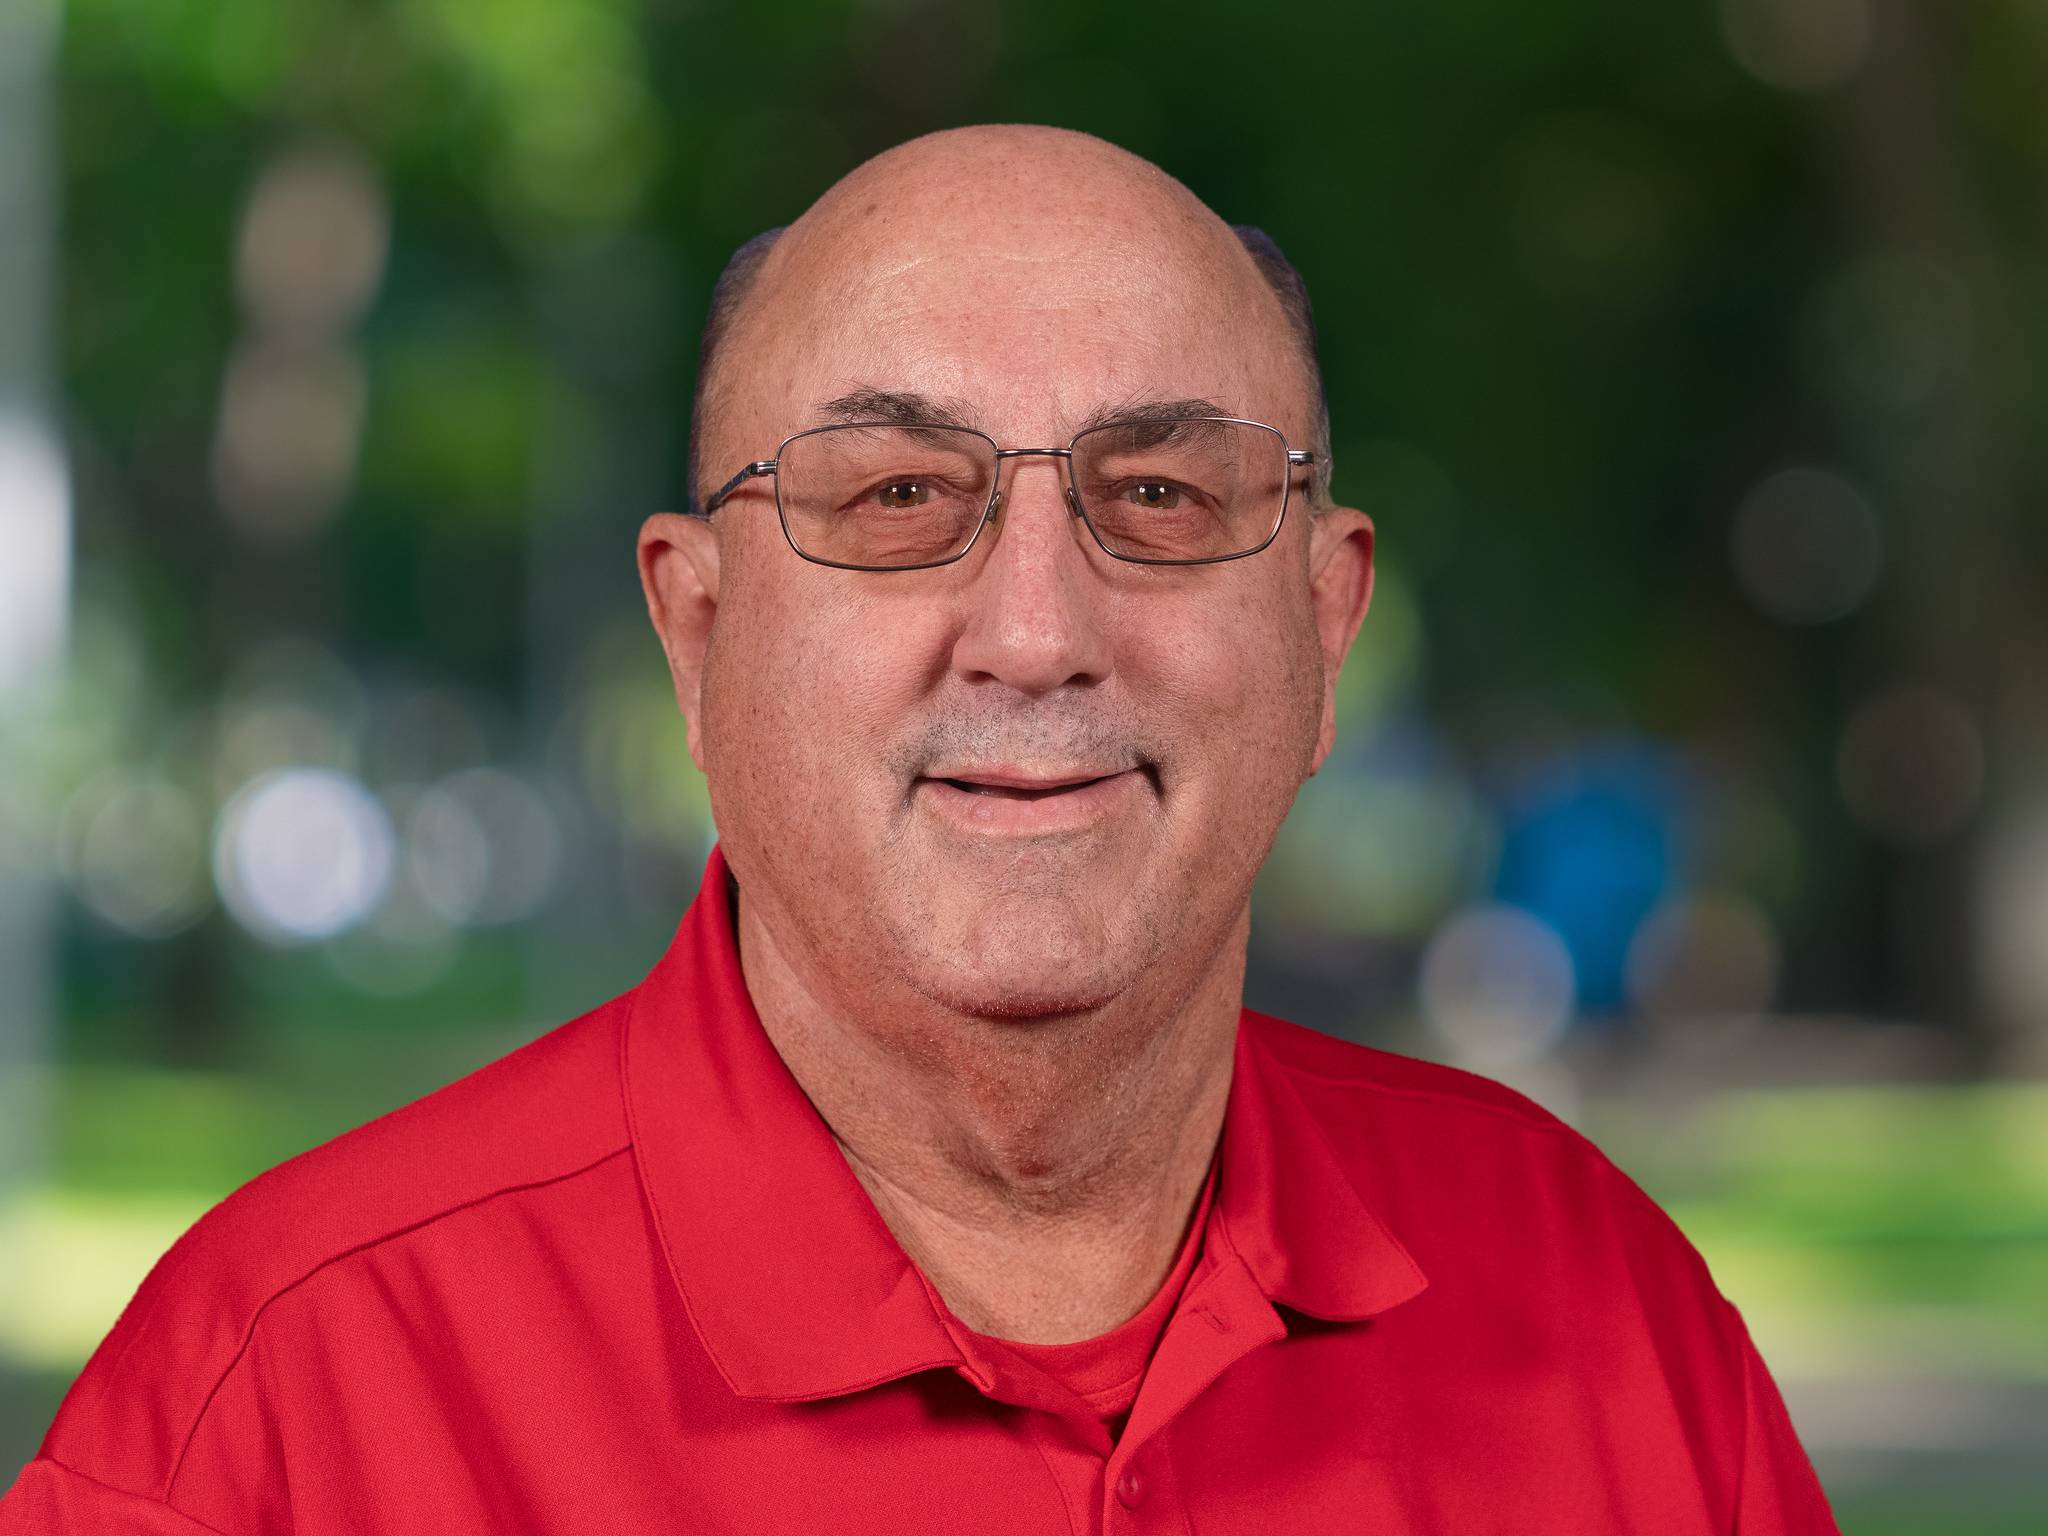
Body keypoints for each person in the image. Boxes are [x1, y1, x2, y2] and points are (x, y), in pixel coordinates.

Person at [2, 125, 1839, 1534]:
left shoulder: (1606, 1316)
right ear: (699, 638)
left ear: (1325, 628)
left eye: (1164, 493)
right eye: (895, 496)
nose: (1037, 631)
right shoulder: (284, 1408)